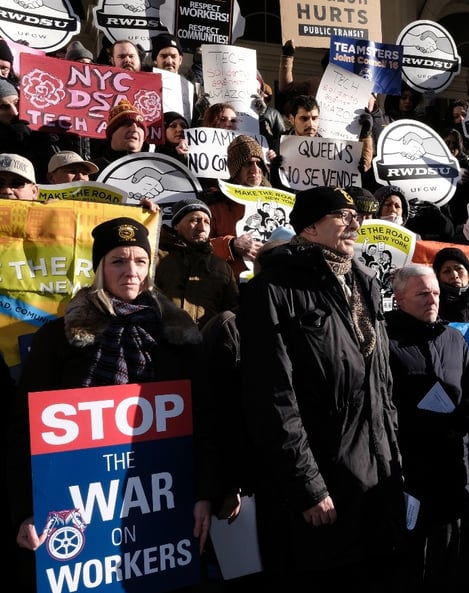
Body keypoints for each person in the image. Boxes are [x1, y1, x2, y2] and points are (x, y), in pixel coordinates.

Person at [6, 217, 227, 579]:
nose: (131, 272)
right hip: (79, 509)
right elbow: (23, 429)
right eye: (118, 261)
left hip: (164, 507)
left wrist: (205, 494)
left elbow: (205, 421)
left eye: (140, 261)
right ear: (99, 269)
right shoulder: (58, 339)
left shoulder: (179, 337)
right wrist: (27, 509)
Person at [238, 186, 403, 591]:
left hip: (376, 480)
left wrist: (394, 464)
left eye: (356, 215)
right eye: (341, 215)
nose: (355, 223)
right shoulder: (272, 290)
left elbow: (381, 388)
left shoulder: (365, 283)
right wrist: (307, 486)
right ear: (309, 228)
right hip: (321, 489)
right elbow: (274, 398)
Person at [385, 264, 469, 592]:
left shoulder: (452, 337)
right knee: (410, 564)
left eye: (435, 293)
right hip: (408, 473)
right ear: (400, 299)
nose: (432, 300)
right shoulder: (384, 341)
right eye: (422, 294)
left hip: (452, 471)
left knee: (448, 562)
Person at [154, 197, 239, 329]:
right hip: (161, 343)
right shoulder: (155, 257)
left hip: (205, 345)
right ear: (176, 225)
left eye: (207, 222)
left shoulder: (222, 267)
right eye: (194, 220)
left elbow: (232, 313)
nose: (202, 228)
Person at [203, 135, 270, 280]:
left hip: (271, 284)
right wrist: (231, 245)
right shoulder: (215, 204)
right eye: (248, 164)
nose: (255, 170)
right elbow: (200, 247)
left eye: (259, 164)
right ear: (235, 169)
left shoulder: (276, 201)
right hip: (230, 285)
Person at [91, 99, 148, 170]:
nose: (134, 129)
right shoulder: (90, 171)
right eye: (127, 124)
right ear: (112, 132)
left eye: (139, 126)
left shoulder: (155, 168)